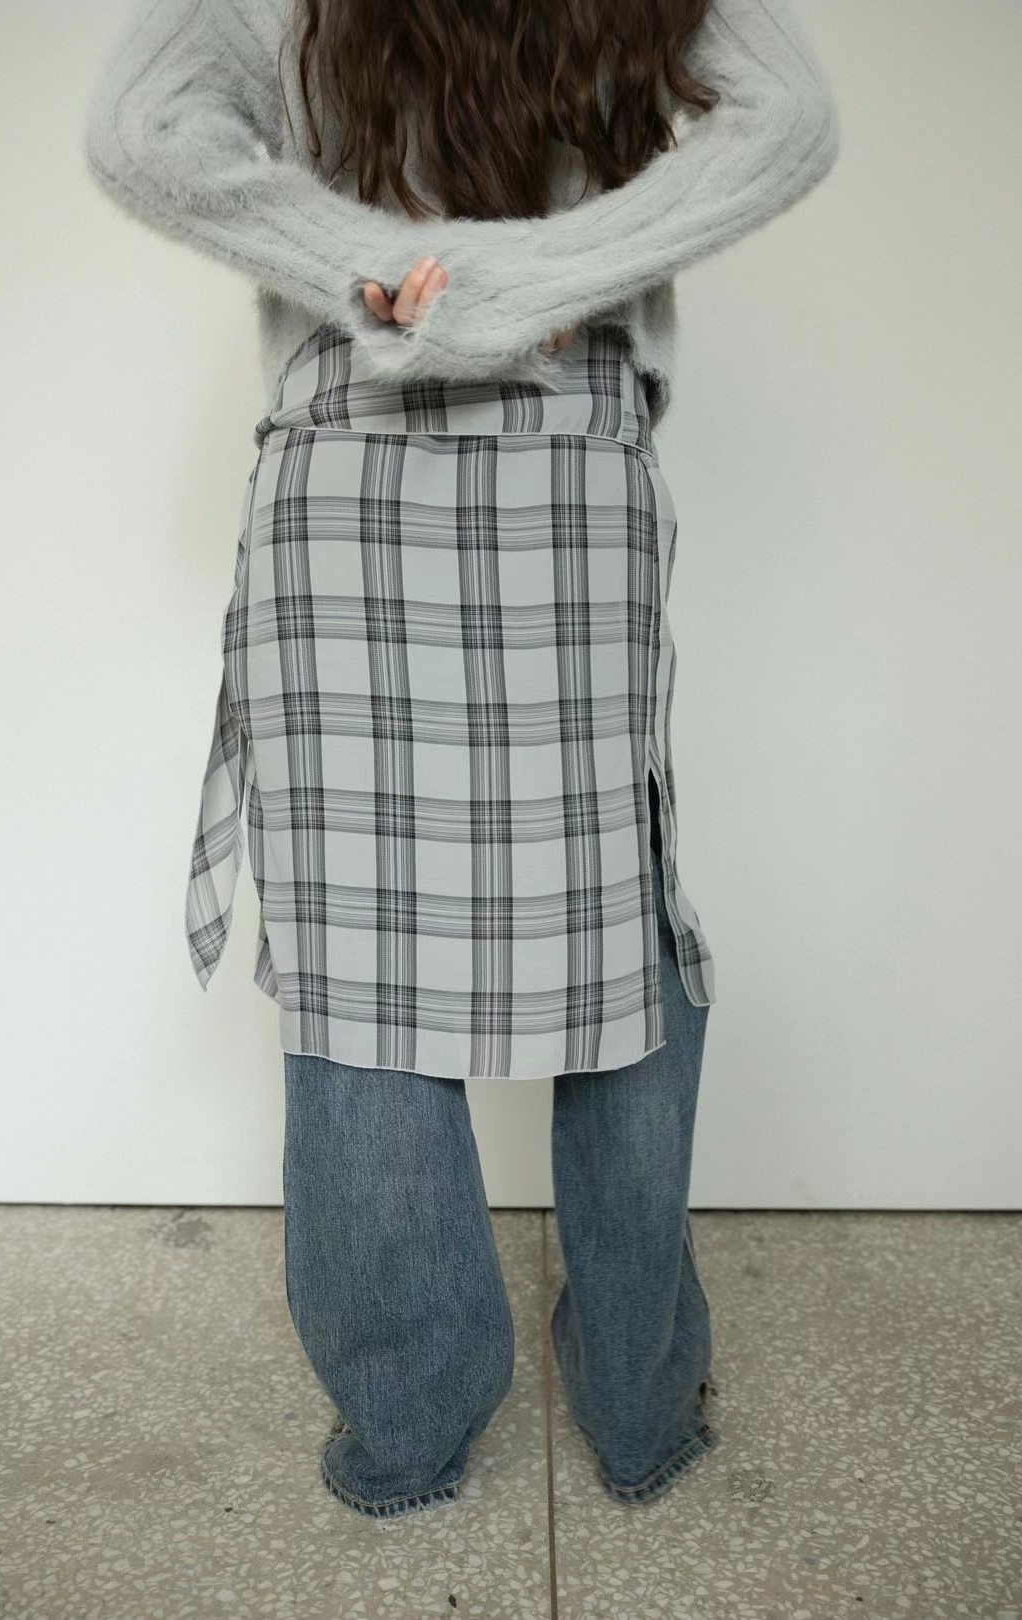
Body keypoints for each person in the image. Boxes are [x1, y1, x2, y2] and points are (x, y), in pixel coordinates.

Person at [83, 0, 840, 1519]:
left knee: (358, 966)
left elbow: (143, 121)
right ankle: (639, 1404)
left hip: (345, 453)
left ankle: (408, 1428)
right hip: (572, 456)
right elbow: (790, 113)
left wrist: (380, 272)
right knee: (615, 936)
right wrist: (540, 278)